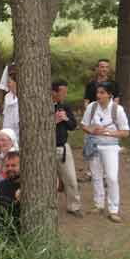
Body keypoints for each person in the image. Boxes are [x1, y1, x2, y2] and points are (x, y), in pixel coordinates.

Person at [81, 82, 129, 223]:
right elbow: (84, 125)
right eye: (98, 92)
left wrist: (108, 132)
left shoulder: (117, 109)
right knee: (96, 176)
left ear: (109, 94)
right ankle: (99, 205)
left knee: (112, 177)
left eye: (102, 93)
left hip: (110, 146)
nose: (98, 95)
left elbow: (125, 132)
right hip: (94, 145)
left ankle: (113, 209)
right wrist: (91, 130)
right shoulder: (92, 107)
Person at [52, 80, 82, 217]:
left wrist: (65, 119)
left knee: (70, 179)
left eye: (66, 92)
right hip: (46, 149)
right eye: (62, 92)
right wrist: (54, 121)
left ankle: (74, 206)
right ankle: (49, 207)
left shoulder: (65, 107)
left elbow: (73, 126)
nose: (65, 95)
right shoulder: (42, 106)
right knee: (50, 181)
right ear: (54, 92)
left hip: (63, 148)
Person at [0, 151, 21, 233]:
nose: (9, 168)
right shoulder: (0, 186)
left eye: (13, 165)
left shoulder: (28, 187)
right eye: (7, 166)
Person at [2, 74, 19, 139]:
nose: (7, 84)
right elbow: (5, 114)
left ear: (15, 82)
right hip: (8, 128)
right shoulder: (7, 96)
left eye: (9, 82)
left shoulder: (23, 95)